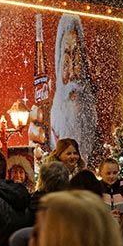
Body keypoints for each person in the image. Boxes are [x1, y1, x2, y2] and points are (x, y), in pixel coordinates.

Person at [49, 14, 99, 154]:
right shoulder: (50, 127)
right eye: (66, 54)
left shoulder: (91, 117)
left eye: (75, 54)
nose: (72, 68)